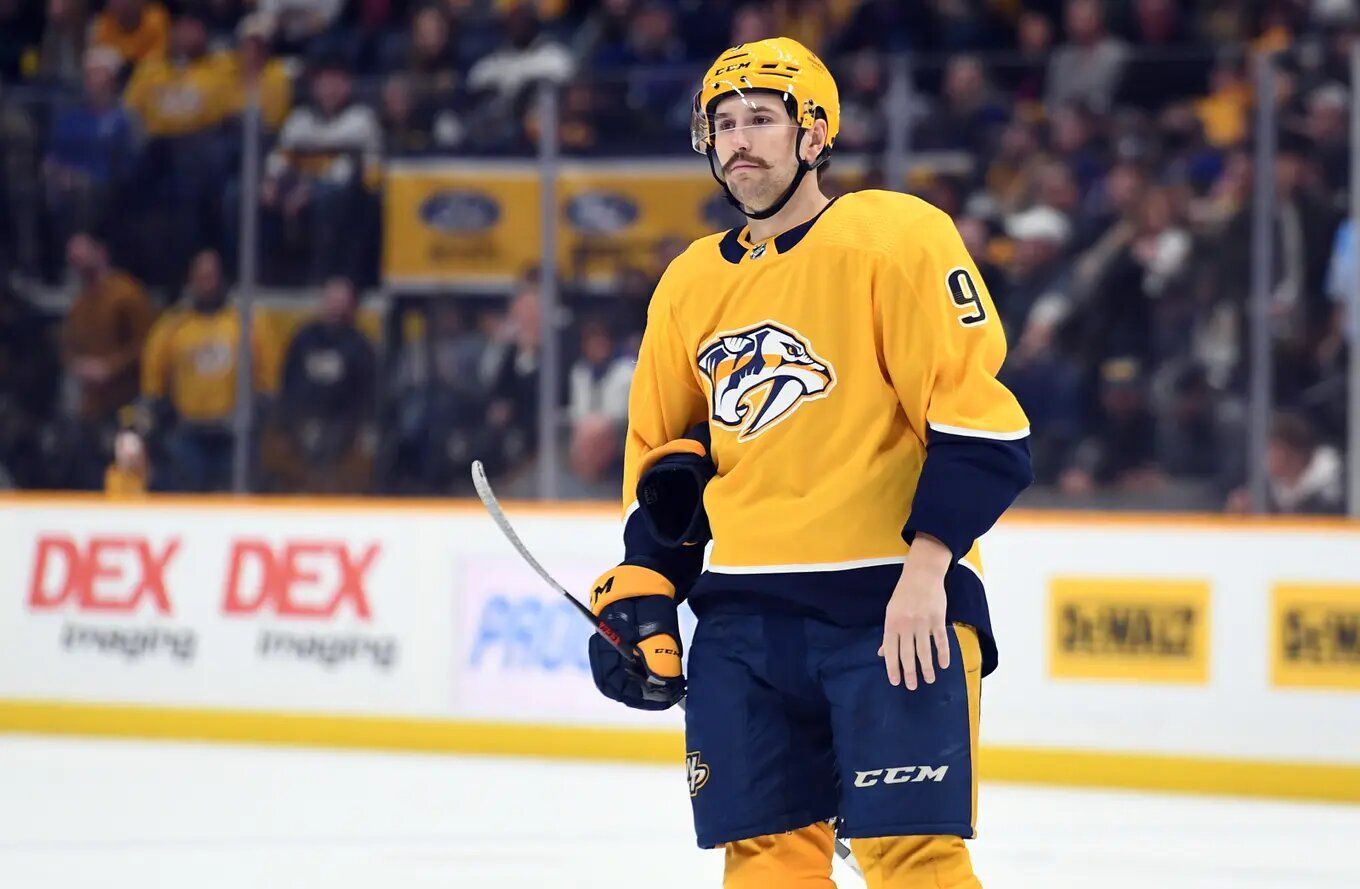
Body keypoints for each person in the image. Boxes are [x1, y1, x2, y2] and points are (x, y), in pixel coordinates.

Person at [584, 38, 1032, 889]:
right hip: (743, 622)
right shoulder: (688, 284)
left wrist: (927, 573)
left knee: (912, 857)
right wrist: (646, 588)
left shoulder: (894, 239)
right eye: (723, 124)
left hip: (889, 606)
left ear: (816, 134)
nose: (739, 140)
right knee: (766, 864)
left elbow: (980, 429)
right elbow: (669, 470)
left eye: (762, 118)